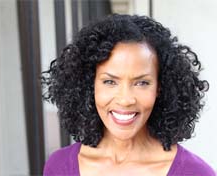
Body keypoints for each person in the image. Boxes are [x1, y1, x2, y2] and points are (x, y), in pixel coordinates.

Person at [41, 14, 215, 176]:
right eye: (110, 82)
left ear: (160, 88)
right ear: (89, 85)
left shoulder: (194, 172)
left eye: (142, 83)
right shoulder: (59, 167)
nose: (125, 100)